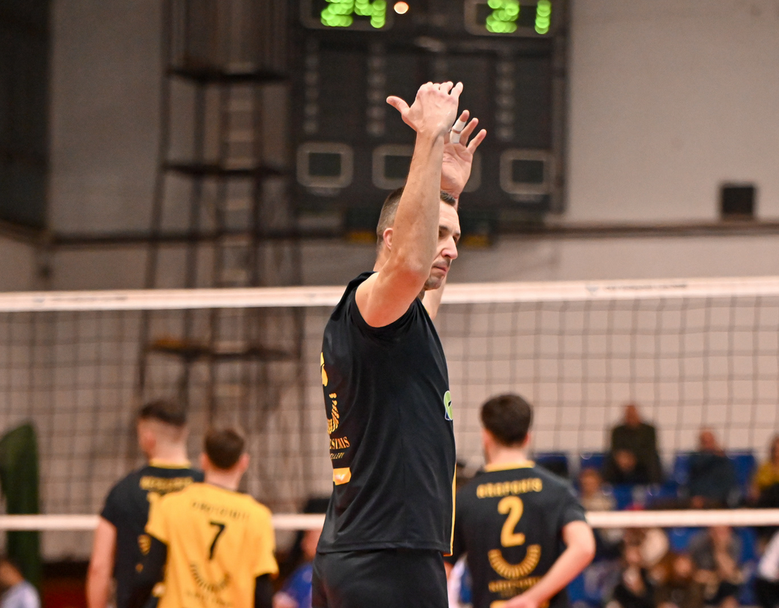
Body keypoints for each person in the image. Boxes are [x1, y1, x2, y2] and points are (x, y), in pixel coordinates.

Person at [313, 80, 486, 608]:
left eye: (455, 237)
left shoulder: (401, 320)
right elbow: (411, 263)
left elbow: (422, 280)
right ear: (390, 239)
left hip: (370, 549)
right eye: (439, 235)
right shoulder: (372, 300)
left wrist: (447, 191)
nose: (451, 250)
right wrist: (428, 137)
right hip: (385, 556)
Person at [445, 393, 596, 608]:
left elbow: (442, 571)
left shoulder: (465, 497)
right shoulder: (557, 490)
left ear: (486, 436)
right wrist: (532, 598)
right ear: (527, 437)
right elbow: (584, 547)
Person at [129, 427, 278, 608]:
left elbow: (148, 575)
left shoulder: (172, 505)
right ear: (243, 462)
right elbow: (262, 592)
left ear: (204, 460)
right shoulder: (258, 517)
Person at [87, 400, 203, 608]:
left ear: (148, 438)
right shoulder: (208, 488)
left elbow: (99, 567)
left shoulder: (123, 490)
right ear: (185, 433)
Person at [604, 403, 662, 485]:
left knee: (653, 460)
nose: (630, 417)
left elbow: (650, 449)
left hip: (642, 463)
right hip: (622, 464)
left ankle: (655, 487)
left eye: (632, 415)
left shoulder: (649, 430)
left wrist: (633, 459)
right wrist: (622, 458)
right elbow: (615, 449)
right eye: (628, 415)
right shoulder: (617, 431)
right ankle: (608, 487)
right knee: (610, 460)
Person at [689, 526, 742, 608]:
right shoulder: (699, 542)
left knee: (730, 603)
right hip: (701, 587)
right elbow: (694, 573)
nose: (719, 535)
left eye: (723, 532)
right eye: (717, 531)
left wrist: (719, 549)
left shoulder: (734, 542)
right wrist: (711, 576)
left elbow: (729, 572)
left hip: (725, 586)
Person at [686, 428, 738, 508]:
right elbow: (691, 481)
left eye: (710, 442)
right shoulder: (694, 459)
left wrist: (709, 498)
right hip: (697, 497)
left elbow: (727, 483)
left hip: (716, 497)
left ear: (714, 442)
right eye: (704, 442)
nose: (708, 445)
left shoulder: (723, 461)